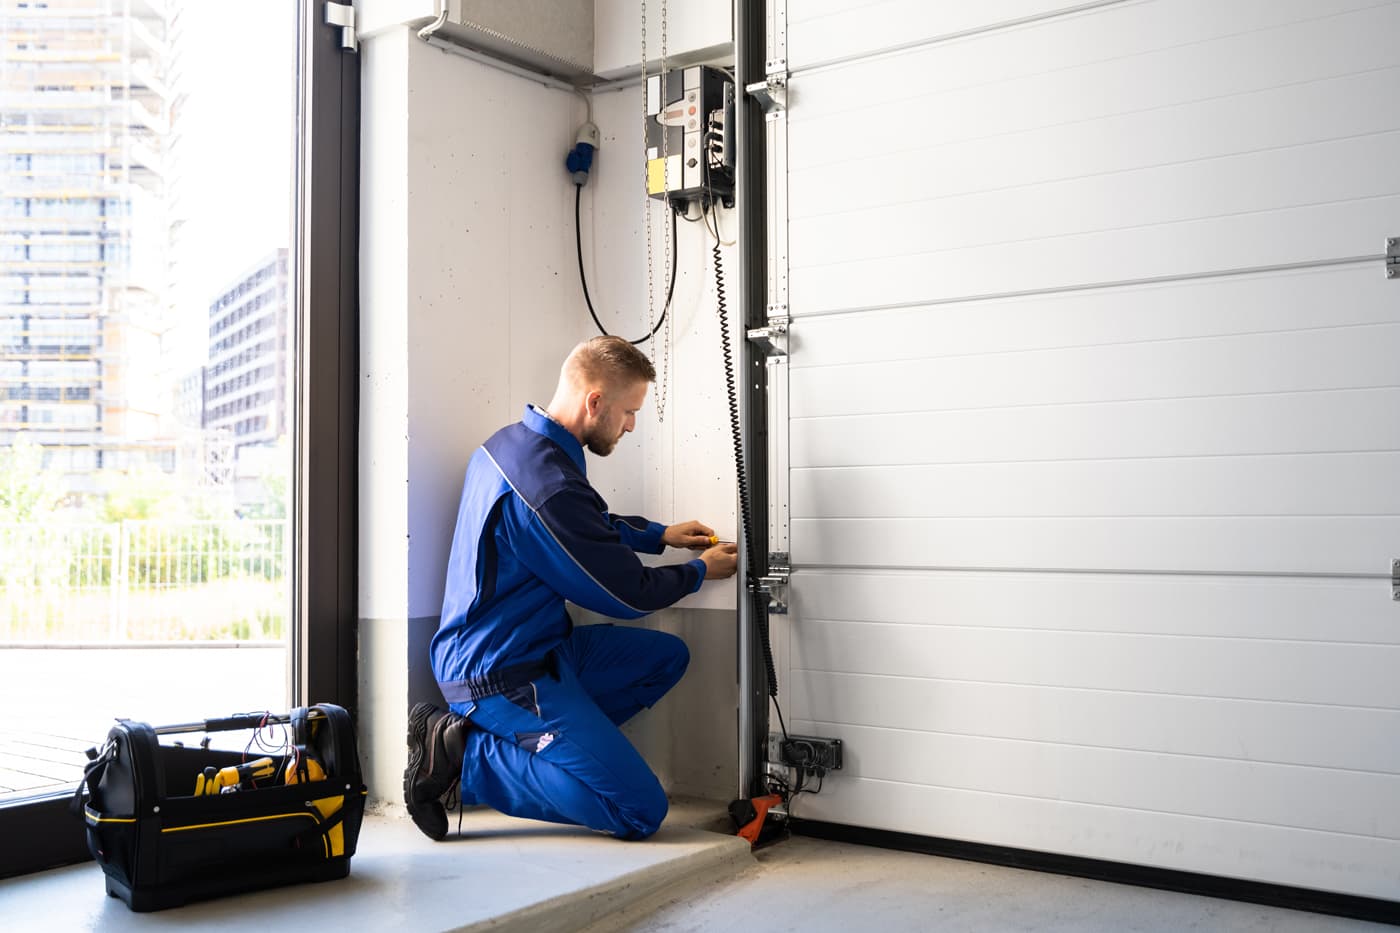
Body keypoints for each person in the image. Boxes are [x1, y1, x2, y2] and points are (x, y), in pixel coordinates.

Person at [405, 336, 739, 842]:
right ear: (595, 401)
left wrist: (659, 535)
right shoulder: (545, 486)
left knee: (665, 658)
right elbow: (628, 595)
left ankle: (557, 752)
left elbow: (586, 525)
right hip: (497, 674)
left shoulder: (514, 445)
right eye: (629, 411)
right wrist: (697, 572)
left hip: (542, 649)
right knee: (639, 811)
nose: (631, 425)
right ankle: (465, 758)